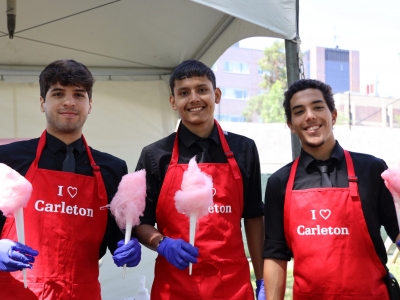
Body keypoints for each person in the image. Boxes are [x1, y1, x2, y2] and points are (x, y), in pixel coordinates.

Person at [0, 59, 141, 300]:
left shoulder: (113, 168)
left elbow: (116, 235)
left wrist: (127, 245)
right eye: (58, 93)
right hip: (19, 290)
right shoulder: (8, 158)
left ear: (90, 105)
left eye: (78, 94)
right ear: (42, 102)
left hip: (82, 292)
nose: (69, 102)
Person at [134, 60, 265, 299]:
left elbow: (254, 216)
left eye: (202, 90)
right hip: (174, 285)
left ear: (216, 95)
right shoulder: (155, 155)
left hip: (232, 284)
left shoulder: (244, 148)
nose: (194, 98)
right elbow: (140, 222)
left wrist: (263, 278)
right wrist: (162, 243)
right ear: (173, 102)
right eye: (184, 93)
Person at [263, 79, 400, 300]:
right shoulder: (280, 182)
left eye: (317, 107)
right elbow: (275, 253)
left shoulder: (372, 169)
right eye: (299, 111)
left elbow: (397, 230)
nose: (310, 116)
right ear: (290, 124)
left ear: (333, 115)